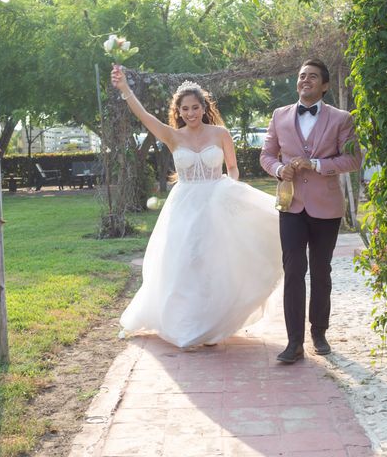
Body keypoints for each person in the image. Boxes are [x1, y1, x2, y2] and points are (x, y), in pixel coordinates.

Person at [111, 65, 283, 348]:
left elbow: (233, 168)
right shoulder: (172, 136)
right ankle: (189, 325)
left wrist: (231, 190)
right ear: (178, 112)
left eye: (195, 107)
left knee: (215, 262)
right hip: (185, 207)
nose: (190, 113)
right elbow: (144, 116)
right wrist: (125, 90)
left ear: (204, 107)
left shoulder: (220, 134)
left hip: (217, 201)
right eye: (185, 109)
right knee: (187, 261)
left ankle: (212, 325)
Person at [260, 58, 362, 363]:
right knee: (293, 271)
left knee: (321, 271)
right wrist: (279, 169)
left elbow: (354, 159)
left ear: (325, 86)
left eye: (313, 77)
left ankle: (319, 332)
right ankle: (294, 343)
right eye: (302, 75)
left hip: (326, 206)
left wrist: (317, 165)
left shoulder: (341, 118)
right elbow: (266, 155)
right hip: (291, 205)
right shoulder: (279, 115)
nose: (305, 80)